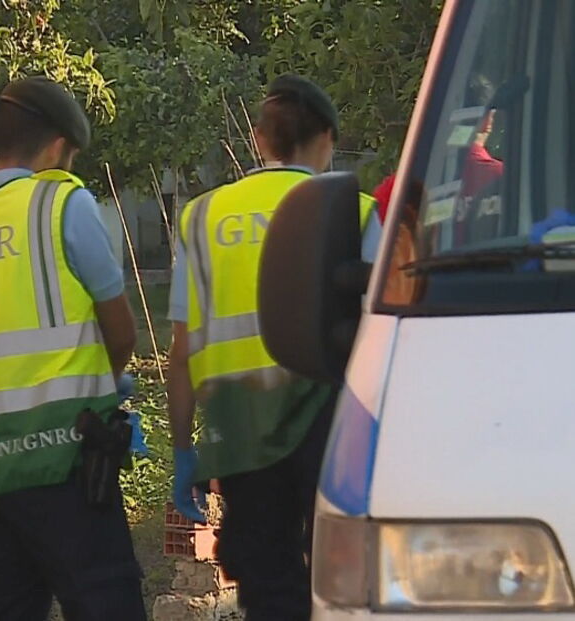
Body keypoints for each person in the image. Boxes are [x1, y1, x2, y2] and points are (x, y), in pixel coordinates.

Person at [0, 77, 146, 621]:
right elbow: (121, 332)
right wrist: (106, 385)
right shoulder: (63, 203)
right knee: (106, 603)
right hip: (68, 459)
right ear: (57, 148)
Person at [166, 74, 381, 621]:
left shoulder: (202, 217)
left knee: (267, 586)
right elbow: (385, 334)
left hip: (239, 435)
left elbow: (182, 348)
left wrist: (183, 449)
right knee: (348, 580)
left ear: (260, 140)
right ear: (328, 138)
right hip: (332, 429)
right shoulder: (356, 213)